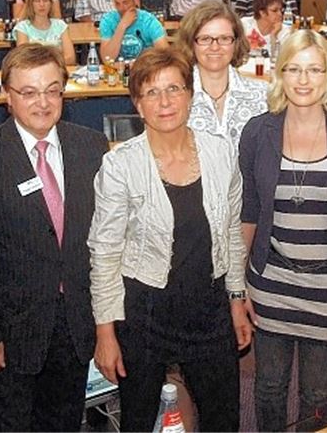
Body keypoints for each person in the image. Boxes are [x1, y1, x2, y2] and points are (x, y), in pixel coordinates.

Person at [90, 47, 249, 432]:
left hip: (209, 310)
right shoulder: (120, 164)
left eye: (174, 89)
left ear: (190, 94)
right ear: (137, 105)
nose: (164, 102)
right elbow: (105, 253)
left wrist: (237, 299)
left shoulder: (221, 151)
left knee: (223, 419)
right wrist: (105, 333)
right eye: (151, 92)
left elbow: (230, 233)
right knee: (140, 421)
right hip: (144, 313)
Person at [0, 43, 108, 431]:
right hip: (11, 333)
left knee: (65, 423)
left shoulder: (91, 147)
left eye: (52, 90)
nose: (42, 102)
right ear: (7, 96)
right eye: (29, 92)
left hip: (75, 324)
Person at [238, 29, 327, 432]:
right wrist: (238, 285)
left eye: (314, 70)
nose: (303, 80)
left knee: (317, 397)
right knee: (268, 387)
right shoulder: (257, 132)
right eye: (294, 69)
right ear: (279, 74)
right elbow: (249, 212)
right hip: (271, 282)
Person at [175, 0, 268, 146]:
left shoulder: (263, 96)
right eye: (205, 39)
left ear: (236, 43)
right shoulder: (174, 97)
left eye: (224, 39)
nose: (215, 47)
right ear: (191, 43)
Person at [99, 0, 168, 61]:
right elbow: (106, 59)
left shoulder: (149, 21)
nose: (121, 8)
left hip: (143, 69)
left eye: (125, 2)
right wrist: (121, 26)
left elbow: (165, 55)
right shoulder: (108, 20)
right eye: (117, 4)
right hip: (117, 70)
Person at [14, 0, 77, 65]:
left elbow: (70, 58)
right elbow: (24, 59)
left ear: (51, 4)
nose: (42, 4)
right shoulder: (22, 27)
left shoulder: (60, 25)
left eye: (45, 0)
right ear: (31, 4)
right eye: (37, 1)